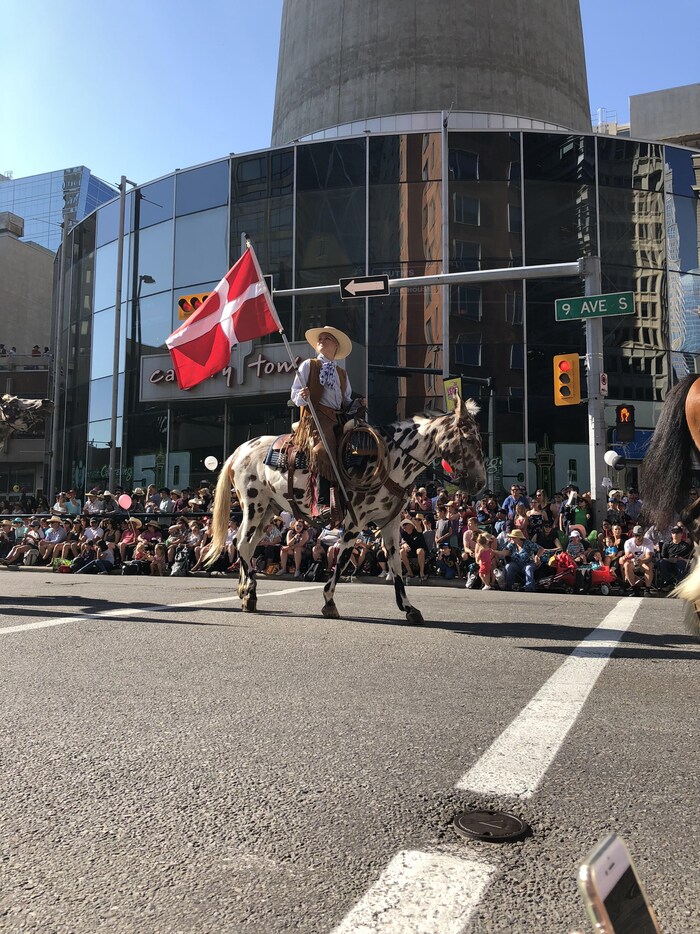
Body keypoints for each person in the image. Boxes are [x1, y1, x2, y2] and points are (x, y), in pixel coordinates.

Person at [290, 326, 355, 510]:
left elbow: (346, 401)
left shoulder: (342, 373)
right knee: (322, 451)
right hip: (315, 417)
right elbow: (295, 395)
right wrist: (303, 395)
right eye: (320, 338)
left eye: (326, 338)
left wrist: (359, 404)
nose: (321, 340)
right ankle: (324, 501)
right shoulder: (309, 365)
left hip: (338, 418)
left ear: (335, 345)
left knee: (359, 442)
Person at [494, 528, 543, 592]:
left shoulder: (528, 543)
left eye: (513, 537)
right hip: (517, 564)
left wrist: (537, 556)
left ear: (518, 538)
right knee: (509, 566)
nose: (511, 539)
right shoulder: (512, 544)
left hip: (529, 563)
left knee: (528, 568)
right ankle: (510, 586)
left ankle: (529, 587)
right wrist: (494, 551)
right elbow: (505, 552)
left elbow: (541, 549)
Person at [619, 525, 655, 592]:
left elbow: (649, 557)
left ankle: (647, 588)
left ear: (643, 534)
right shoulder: (628, 542)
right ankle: (634, 588)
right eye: (636, 535)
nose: (637, 537)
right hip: (633, 562)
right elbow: (628, 555)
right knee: (626, 565)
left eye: (639, 535)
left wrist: (642, 561)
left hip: (644, 562)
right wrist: (627, 558)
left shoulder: (648, 542)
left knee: (649, 565)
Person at [399, 517, 428, 581]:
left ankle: (421, 572)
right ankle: (409, 572)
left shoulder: (417, 531)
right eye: (403, 526)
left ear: (411, 525)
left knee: (419, 551)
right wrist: (404, 545)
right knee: (402, 552)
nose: (404, 527)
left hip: (421, 550)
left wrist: (411, 518)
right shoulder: (404, 534)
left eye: (406, 525)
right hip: (411, 551)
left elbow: (418, 526)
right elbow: (402, 541)